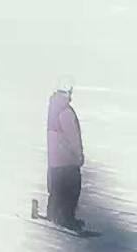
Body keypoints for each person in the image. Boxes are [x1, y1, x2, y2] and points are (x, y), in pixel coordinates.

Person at [46, 78, 85, 231]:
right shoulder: (66, 111)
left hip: (54, 161)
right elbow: (73, 136)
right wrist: (79, 155)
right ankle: (67, 218)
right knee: (71, 190)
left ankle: (53, 214)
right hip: (67, 160)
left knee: (56, 190)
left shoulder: (53, 109)